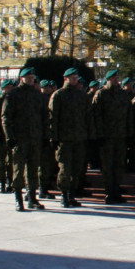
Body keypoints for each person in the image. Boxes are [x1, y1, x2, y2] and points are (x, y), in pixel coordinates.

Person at [2, 68, 46, 211]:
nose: (30, 79)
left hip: (34, 137)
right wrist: (9, 136)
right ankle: (18, 198)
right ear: (21, 78)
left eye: (32, 77)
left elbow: (43, 116)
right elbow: (6, 117)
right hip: (20, 138)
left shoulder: (36, 94)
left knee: (33, 170)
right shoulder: (13, 94)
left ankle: (32, 197)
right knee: (18, 169)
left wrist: (44, 135)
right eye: (27, 77)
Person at [49, 68, 90, 208]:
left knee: (77, 169)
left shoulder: (81, 95)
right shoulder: (58, 95)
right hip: (64, 139)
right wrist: (53, 137)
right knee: (65, 168)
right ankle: (64, 195)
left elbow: (87, 117)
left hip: (79, 137)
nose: (75, 80)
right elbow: (52, 118)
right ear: (65, 78)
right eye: (72, 78)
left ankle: (71, 194)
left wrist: (89, 135)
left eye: (76, 78)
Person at [90, 70, 131, 204]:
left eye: (117, 78)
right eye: (113, 78)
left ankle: (116, 190)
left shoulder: (123, 94)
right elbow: (96, 116)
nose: (116, 80)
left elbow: (128, 115)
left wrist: (129, 132)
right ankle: (109, 192)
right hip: (107, 136)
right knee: (108, 165)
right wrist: (99, 135)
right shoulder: (101, 94)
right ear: (107, 79)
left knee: (119, 165)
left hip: (120, 135)